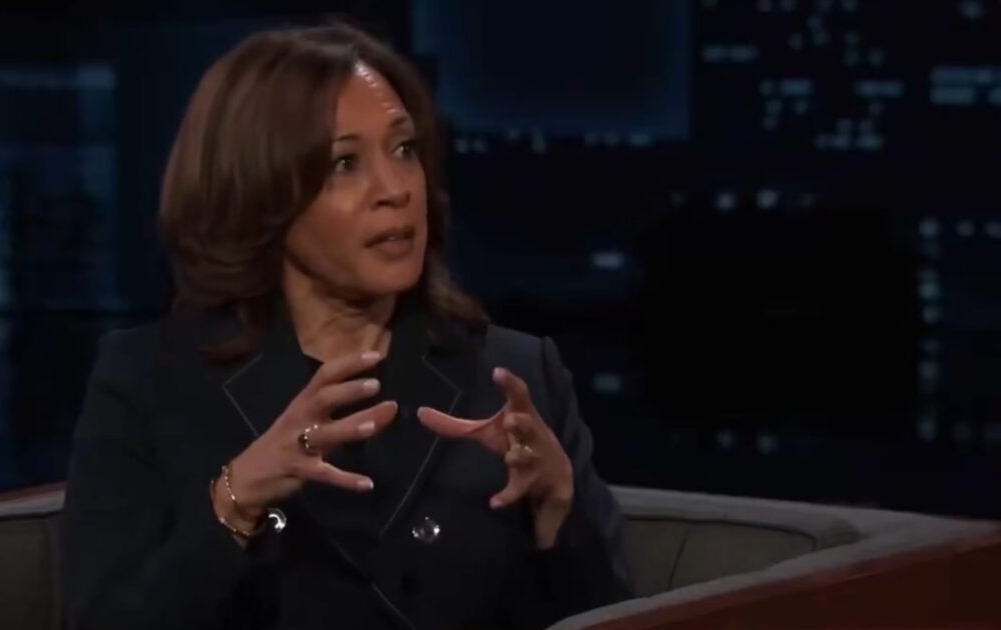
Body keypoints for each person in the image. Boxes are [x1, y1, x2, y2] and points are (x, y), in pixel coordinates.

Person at [61, 23, 630, 630]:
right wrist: (237, 499)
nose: (394, 190)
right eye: (345, 163)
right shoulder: (150, 383)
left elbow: (618, 616)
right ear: (261, 192)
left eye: (404, 150)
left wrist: (557, 509)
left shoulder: (516, 377)